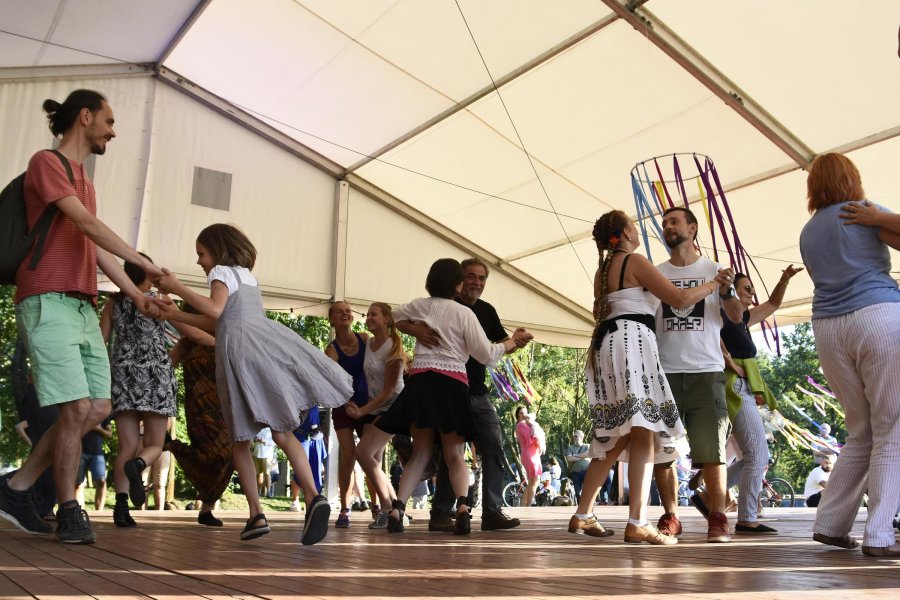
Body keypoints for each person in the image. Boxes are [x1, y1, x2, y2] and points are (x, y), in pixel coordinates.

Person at [0, 90, 164, 545]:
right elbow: (91, 228)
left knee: (98, 408)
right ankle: (70, 507)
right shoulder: (46, 163)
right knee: (75, 408)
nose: (113, 130)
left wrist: (135, 294)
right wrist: (144, 264)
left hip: (82, 305)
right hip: (46, 298)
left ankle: (16, 486)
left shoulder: (85, 182)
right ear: (85, 117)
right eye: (109, 121)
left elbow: (91, 248)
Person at [154, 223, 353, 545]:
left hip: (239, 356)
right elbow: (220, 319)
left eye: (201, 253)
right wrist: (175, 315)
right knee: (282, 431)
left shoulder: (220, 271)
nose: (199, 261)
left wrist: (176, 287)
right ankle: (314, 496)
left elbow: (215, 310)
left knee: (240, 440)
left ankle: (256, 513)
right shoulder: (246, 276)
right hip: (261, 346)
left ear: (217, 249)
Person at [570, 209, 722, 544]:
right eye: (634, 226)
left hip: (608, 343)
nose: (638, 231)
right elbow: (680, 299)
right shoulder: (634, 261)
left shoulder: (604, 269)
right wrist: (713, 284)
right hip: (632, 342)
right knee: (642, 430)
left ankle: (583, 514)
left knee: (618, 433)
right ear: (625, 232)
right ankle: (637, 520)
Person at [375, 258, 533, 535]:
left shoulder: (420, 305)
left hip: (421, 383)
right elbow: (488, 354)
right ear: (458, 283)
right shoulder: (464, 314)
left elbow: (395, 316)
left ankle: (397, 508)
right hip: (451, 384)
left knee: (421, 452)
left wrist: (415, 328)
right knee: (454, 453)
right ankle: (462, 507)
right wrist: (512, 341)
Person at [801, 153, 900, 557]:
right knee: (893, 427)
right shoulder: (864, 212)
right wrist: (877, 217)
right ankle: (879, 535)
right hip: (878, 317)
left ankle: (830, 524)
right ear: (852, 178)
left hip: (827, 327)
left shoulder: (809, 230)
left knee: (861, 431)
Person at [650, 206, 744, 544]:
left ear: (692, 228)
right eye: (664, 224)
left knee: (712, 451)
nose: (668, 227)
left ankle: (718, 518)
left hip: (706, 372)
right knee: (663, 450)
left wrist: (727, 290)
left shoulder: (717, 270)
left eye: (674, 221)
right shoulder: (655, 273)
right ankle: (670, 516)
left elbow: (736, 317)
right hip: (664, 373)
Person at [717, 266, 802, 535]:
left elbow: (774, 303)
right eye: (746, 288)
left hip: (745, 387)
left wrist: (783, 279)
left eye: (753, 288)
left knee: (755, 455)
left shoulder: (742, 319)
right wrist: (728, 360)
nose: (752, 292)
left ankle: (711, 494)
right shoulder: (723, 315)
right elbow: (707, 334)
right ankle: (746, 517)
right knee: (757, 455)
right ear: (732, 291)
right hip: (735, 385)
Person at [100, 254, 177, 527]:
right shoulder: (160, 300)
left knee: (128, 445)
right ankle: (140, 465)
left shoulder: (113, 303)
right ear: (147, 274)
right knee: (156, 443)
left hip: (123, 373)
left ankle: (120, 508)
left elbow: (102, 341)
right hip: (155, 373)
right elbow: (184, 331)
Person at [167, 314, 232, 527]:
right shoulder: (187, 342)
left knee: (227, 458)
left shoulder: (226, 338)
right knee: (211, 456)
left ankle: (207, 508)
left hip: (226, 406)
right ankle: (171, 445)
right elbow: (167, 367)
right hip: (198, 407)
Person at [350, 302, 407, 529]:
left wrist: (362, 411)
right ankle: (396, 508)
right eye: (368, 314)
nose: (369, 317)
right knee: (373, 460)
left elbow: (389, 391)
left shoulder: (393, 348)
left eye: (374, 314)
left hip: (394, 407)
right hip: (377, 407)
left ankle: (386, 507)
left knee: (362, 453)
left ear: (386, 319)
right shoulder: (367, 342)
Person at [324, 301, 370, 528]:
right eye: (339, 312)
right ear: (331, 319)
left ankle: (380, 507)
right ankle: (344, 508)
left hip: (368, 404)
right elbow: (334, 380)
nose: (345, 313)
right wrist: (350, 403)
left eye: (348, 311)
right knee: (348, 454)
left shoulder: (364, 339)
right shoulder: (331, 350)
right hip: (343, 405)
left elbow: (385, 353)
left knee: (371, 456)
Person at [75, 418, 112, 511]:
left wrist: (97, 429)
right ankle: (80, 512)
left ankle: (99, 513)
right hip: (79, 451)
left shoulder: (102, 413)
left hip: (97, 453)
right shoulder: (80, 410)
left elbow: (109, 434)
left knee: (102, 482)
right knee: (78, 484)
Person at [514, 406, 544, 507]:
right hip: (529, 454)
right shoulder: (521, 425)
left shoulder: (527, 424)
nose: (524, 415)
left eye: (526, 412)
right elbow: (533, 437)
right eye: (522, 413)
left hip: (533, 453)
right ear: (518, 415)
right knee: (535, 480)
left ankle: (524, 505)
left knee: (533, 480)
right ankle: (528, 505)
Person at [564, 430, 591, 501]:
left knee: (588, 490)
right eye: (573, 436)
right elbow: (569, 459)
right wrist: (582, 457)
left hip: (587, 472)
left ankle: (588, 505)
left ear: (581, 437)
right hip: (575, 473)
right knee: (577, 492)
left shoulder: (587, 446)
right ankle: (580, 507)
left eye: (576, 436)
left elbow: (587, 454)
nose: (574, 438)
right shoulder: (571, 448)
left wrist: (575, 455)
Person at [252, 427, 276, 497]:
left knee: (267, 473)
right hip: (257, 453)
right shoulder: (257, 429)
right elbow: (253, 439)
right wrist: (255, 440)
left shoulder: (271, 430)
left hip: (267, 455)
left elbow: (274, 442)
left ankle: (268, 492)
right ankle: (258, 492)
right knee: (259, 473)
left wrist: (264, 441)